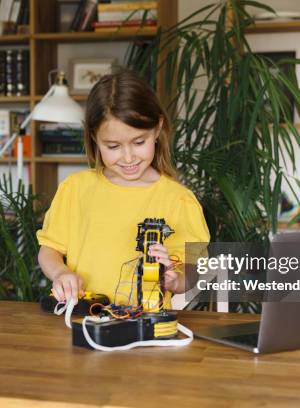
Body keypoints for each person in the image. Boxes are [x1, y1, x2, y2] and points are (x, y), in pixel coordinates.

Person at [37, 70, 210, 307]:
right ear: (94, 138)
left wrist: (176, 281)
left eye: (139, 142)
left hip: (146, 328)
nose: (128, 158)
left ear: (157, 129)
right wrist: (60, 273)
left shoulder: (179, 200)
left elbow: (196, 270)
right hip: (83, 320)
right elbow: (49, 250)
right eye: (113, 146)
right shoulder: (75, 189)